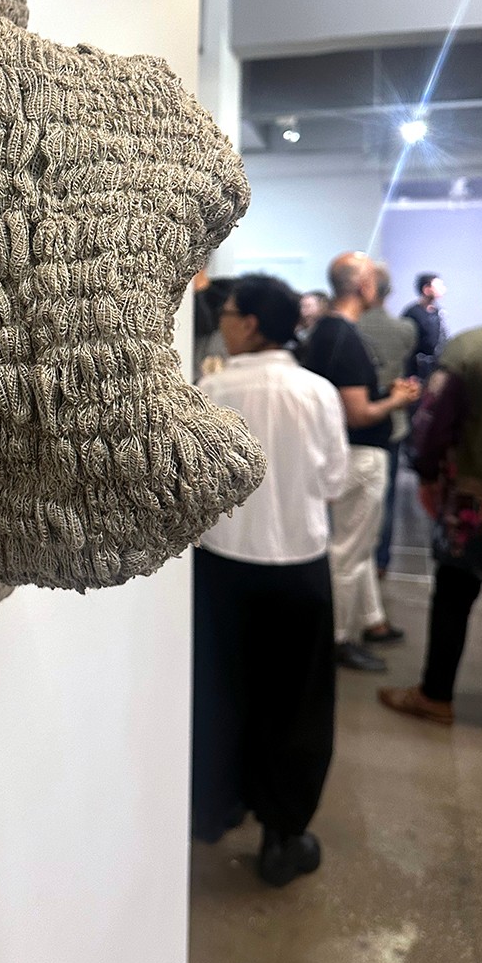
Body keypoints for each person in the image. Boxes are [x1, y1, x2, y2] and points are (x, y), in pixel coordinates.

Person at [192, 274, 349, 887]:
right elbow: (334, 481)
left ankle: (216, 807)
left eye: (229, 313)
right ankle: (283, 835)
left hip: (224, 565)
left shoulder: (212, 390)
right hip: (300, 569)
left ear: (251, 324)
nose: (224, 323)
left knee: (222, 693)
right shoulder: (317, 392)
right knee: (298, 704)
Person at [379, 258, 482, 734]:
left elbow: (431, 424)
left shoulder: (468, 348)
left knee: (452, 596)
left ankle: (436, 696)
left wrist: (426, 477)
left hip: (474, 503)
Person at [301, 253, 420, 671]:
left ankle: (372, 621)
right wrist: (397, 400)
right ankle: (336, 638)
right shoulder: (345, 336)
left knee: (359, 546)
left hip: (341, 452)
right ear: (364, 286)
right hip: (359, 454)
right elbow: (358, 413)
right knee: (348, 553)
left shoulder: (326, 331)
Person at [356, 263, 417, 579]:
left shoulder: (350, 328)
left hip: (352, 420)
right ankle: (380, 560)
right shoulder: (405, 329)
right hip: (392, 420)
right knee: (387, 495)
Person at [402, 271, 447, 388]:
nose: (443, 289)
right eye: (438, 286)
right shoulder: (412, 313)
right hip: (416, 371)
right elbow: (405, 344)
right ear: (426, 289)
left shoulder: (438, 313)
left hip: (435, 369)